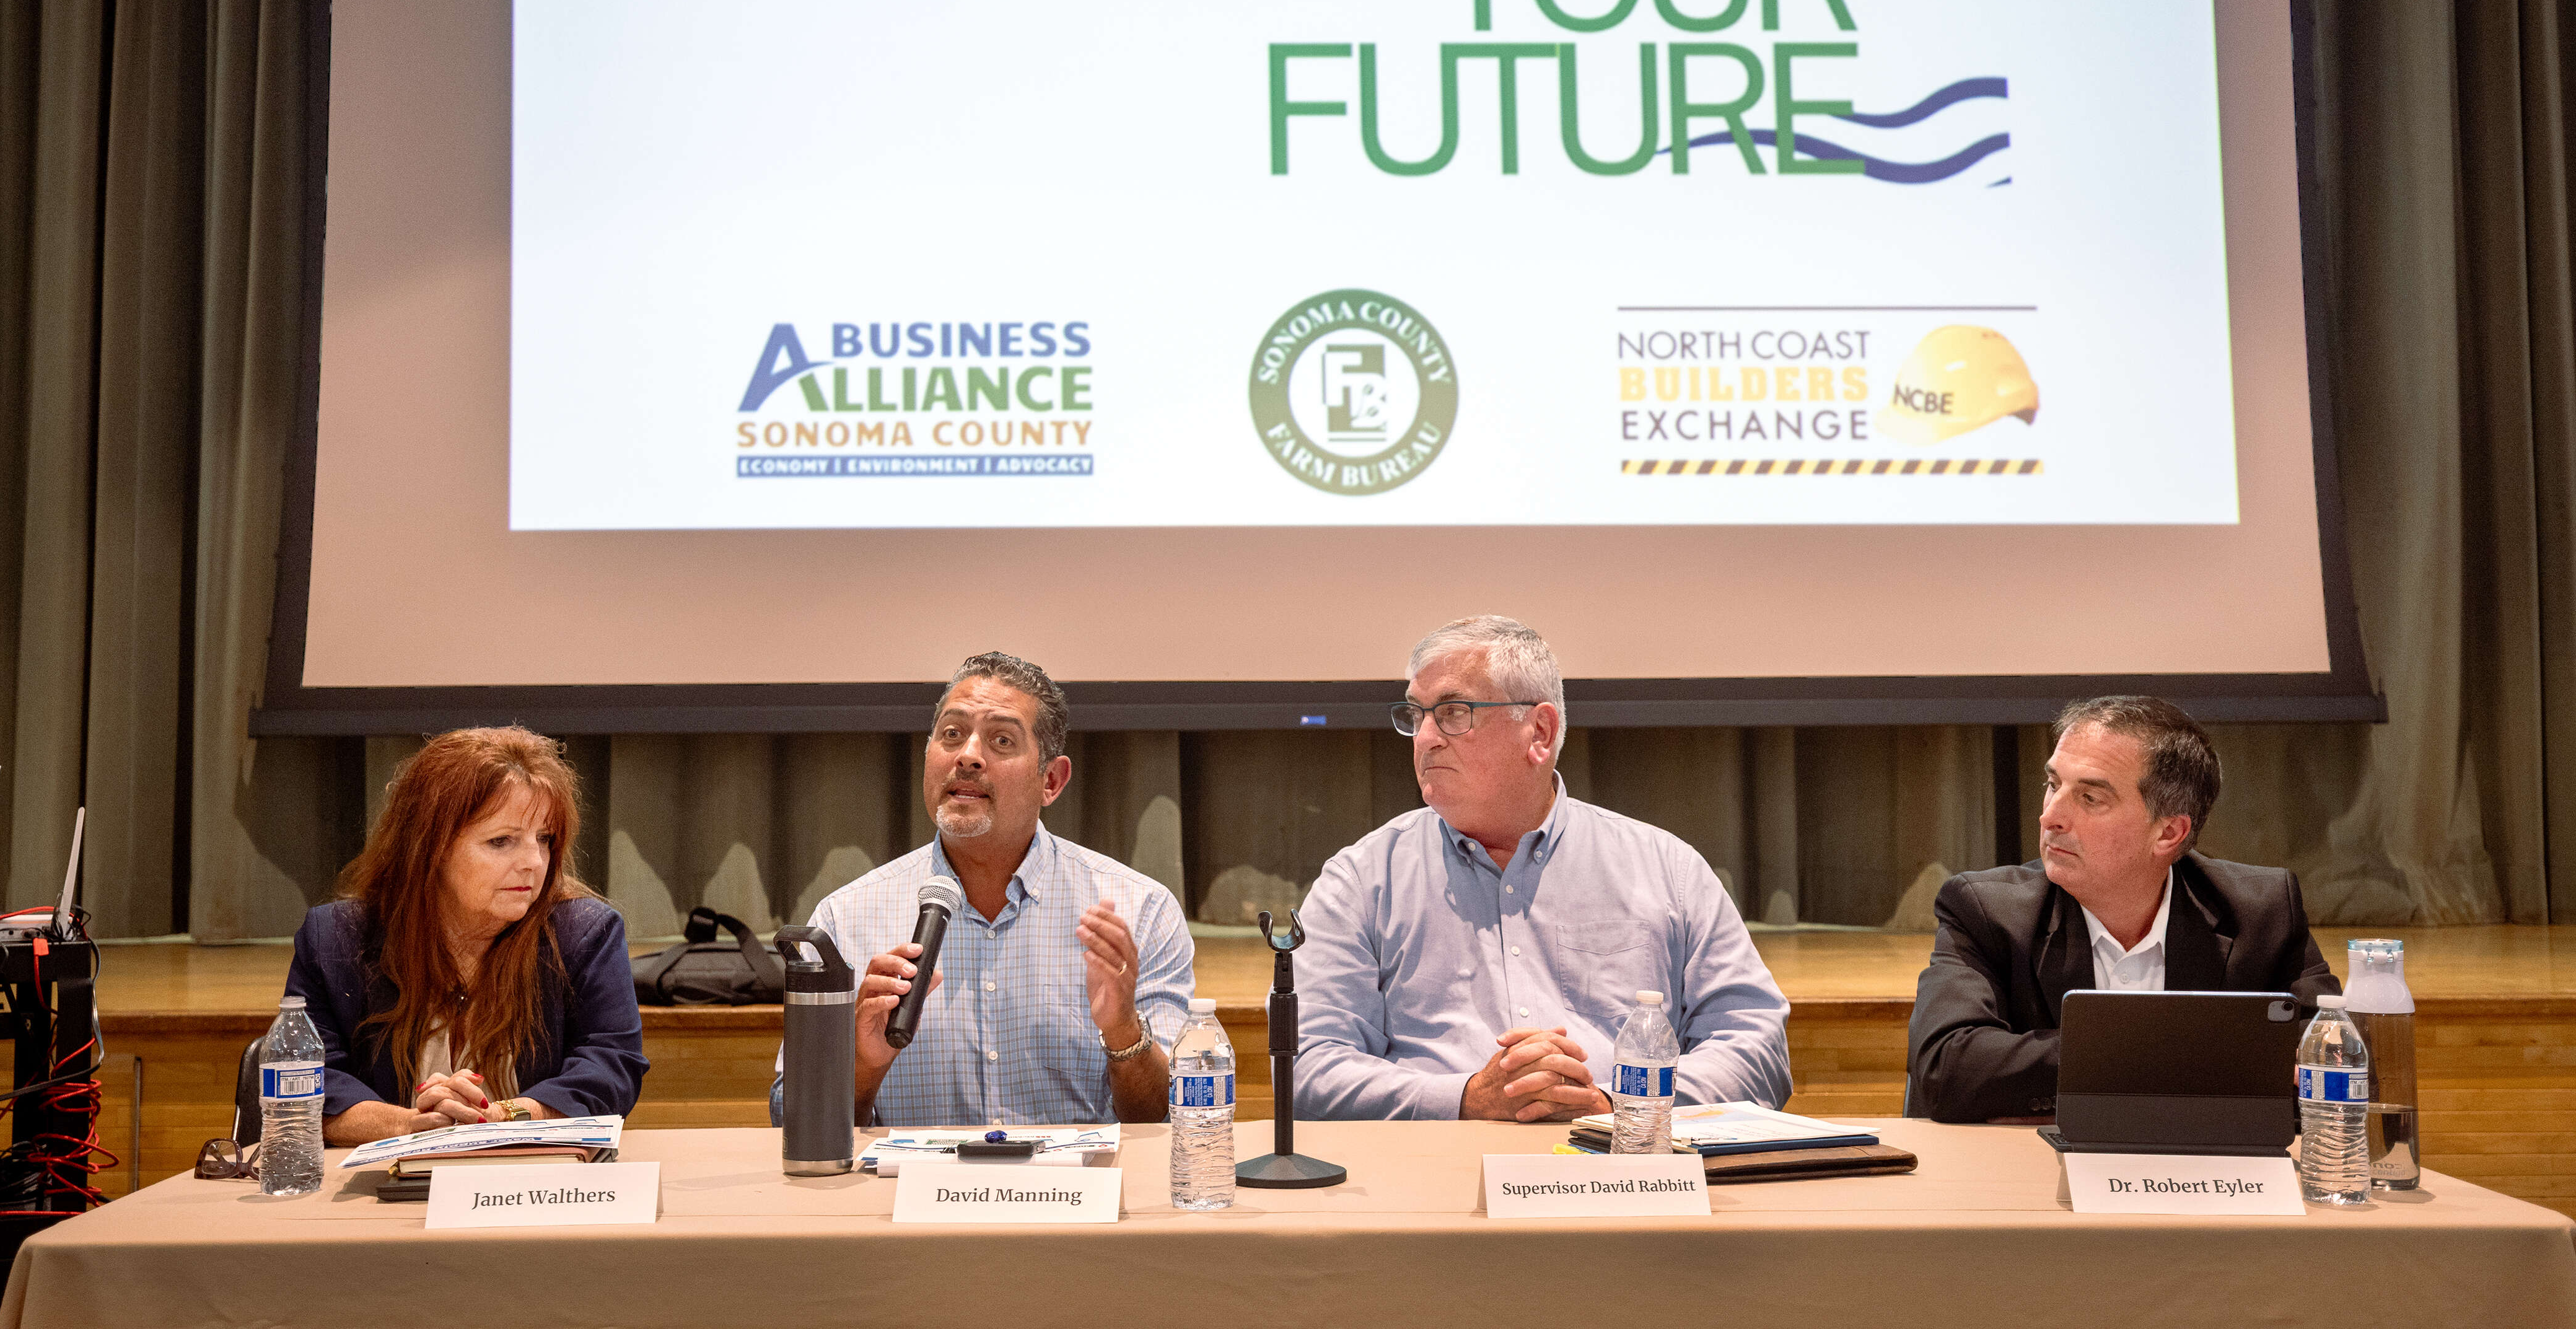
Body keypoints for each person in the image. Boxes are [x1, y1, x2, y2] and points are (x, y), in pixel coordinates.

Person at [1292, 616, 1792, 1121]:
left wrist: (1613, 1104)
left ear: (1540, 731)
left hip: (1626, 1155)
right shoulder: (1362, 881)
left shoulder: (1667, 870)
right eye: (1416, 715)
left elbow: (1756, 1046)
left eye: (1452, 713)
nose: (1425, 738)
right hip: (1434, 1159)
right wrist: (1467, 1099)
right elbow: (1306, 1065)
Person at [775, 651, 1195, 1126]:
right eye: (952, 734)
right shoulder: (845, 919)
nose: (968, 756)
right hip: (905, 1178)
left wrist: (1124, 1033)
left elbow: (1175, 1119)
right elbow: (789, 1121)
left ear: (1051, 781)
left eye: (1002, 740)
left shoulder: (1142, 911)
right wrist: (861, 1066)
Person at [1906, 695, 2339, 1122]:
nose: (2050, 817)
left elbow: (2333, 1061)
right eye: (2054, 785)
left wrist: (2096, 1076)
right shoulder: (1986, 911)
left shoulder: (2262, 911)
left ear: (2168, 833)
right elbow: (1946, 1068)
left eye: (2090, 798)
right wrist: (2192, 1060)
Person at [287, 727, 647, 1144]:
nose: (534, 862)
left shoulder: (585, 934)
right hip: (383, 1173)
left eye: (544, 839)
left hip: (532, 1175)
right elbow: (304, 1082)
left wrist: (500, 1117)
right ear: (430, 847)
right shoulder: (336, 940)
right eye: (501, 841)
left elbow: (611, 1071)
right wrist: (410, 1126)